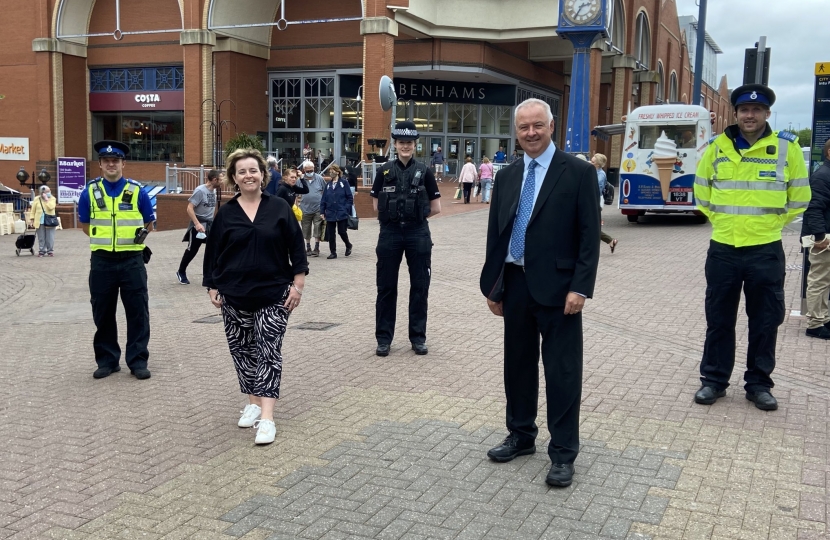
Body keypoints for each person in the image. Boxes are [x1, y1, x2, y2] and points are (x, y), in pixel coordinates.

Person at [479, 98, 600, 488]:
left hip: (561, 291)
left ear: (552, 126)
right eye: (523, 128)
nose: (530, 133)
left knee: (563, 372)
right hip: (514, 284)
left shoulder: (578, 173)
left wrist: (581, 287)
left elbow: (588, 237)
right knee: (517, 365)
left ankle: (563, 453)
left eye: (537, 126)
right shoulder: (507, 176)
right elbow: (496, 234)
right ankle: (521, 434)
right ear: (516, 132)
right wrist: (493, 284)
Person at [692, 84, 811, 411]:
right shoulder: (716, 148)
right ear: (735, 113)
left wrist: (772, 224)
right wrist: (721, 221)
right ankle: (714, 381)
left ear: (766, 113)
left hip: (765, 249)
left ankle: (759, 384)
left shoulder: (787, 148)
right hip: (724, 249)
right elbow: (701, 193)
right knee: (718, 318)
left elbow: (800, 197)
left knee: (764, 320)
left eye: (756, 110)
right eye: (744, 109)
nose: (750, 115)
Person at [203, 148, 308, 445]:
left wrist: (297, 284)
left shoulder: (278, 208)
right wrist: (211, 285)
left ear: (263, 174)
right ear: (234, 178)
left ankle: (267, 418)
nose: (248, 176)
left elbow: (297, 250)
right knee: (243, 352)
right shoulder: (226, 213)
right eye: (242, 172)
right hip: (234, 295)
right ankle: (252, 402)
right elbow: (213, 254)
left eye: (253, 170)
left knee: (268, 351)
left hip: (274, 294)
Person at [78, 140, 156, 380]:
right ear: (100, 165)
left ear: (123, 163)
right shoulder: (89, 191)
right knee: (102, 312)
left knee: (137, 312)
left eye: (116, 160)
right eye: (106, 161)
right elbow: (85, 226)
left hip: (132, 260)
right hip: (102, 261)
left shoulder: (137, 190)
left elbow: (149, 223)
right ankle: (107, 360)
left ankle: (137, 360)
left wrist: (132, 240)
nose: (111, 164)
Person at [371, 120, 442, 356]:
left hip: (417, 233)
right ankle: (383, 339)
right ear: (395, 144)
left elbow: (436, 207)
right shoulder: (383, 171)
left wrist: (415, 217)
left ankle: (418, 337)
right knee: (386, 287)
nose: (405, 146)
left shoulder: (425, 172)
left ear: (415, 145)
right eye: (401, 142)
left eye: (409, 143)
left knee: (420, 287)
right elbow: (374, 206)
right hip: (390, 233)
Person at [801, 138, 830, 339]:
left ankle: (824, 318)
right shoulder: (822, 176)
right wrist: (820, 237)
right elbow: (813, 208)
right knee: (819, 280)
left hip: (825, 234)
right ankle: (815, 324)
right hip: (823, 237)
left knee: (824, 280)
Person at [176, 169, 222, 284]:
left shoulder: (214, 191)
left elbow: (211, 208)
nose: (223, 182)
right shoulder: (200, 191)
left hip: (210, 224)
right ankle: (181, 272)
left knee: (214, 249)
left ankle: (211, 274)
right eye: (221, 179)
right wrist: (197, 224)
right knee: (192, 250)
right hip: (199, 224)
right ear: (215, 179)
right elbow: (189, 208)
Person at [320, 164, 354, 259]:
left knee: (342, 231)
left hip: (341, 211)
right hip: (330, 212)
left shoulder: (344, 183)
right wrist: (322, 212)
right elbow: (323, 199)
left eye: (332, 170)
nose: (331, 173)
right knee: (331, 233)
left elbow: (349, 197)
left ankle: (348, 244)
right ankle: (333, 252)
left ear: (337, 172)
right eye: (330, 171)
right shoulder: (328, 185)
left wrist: (346, 208)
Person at [298, 160, 326, 256]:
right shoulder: (300, 180)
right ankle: (308, 247)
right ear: (304, 170)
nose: (310, 172)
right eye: (308, 171)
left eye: (311, 170)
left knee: (318, 227)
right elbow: (296, 194)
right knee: (306, 228)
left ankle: (317, 248)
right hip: (305, 208)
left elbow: (325, 192)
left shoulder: (320, 178)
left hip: (318, 208)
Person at [591, 153, 618, 253]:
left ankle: (610, 240)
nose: (590, 162)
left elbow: (596, 190)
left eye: (593, 162)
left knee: (590, 226)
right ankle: (611, 241)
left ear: (598, 164)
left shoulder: (600, 174)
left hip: (595, 202)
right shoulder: (593, 171)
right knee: (590, 226)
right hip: (592, 201)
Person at [28, 185, 57, 257]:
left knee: (50, 237)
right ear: (42, 192)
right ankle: (42, 251)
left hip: (50, 221)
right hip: (39, 220)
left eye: (49, 191)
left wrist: (47, 199)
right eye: (46, 192)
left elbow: (51, 207)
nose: (49, 192)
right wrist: (32, 219)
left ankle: (50, 250)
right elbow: (33, 210)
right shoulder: (37, 199)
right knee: (41, 237)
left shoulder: (52, 199)